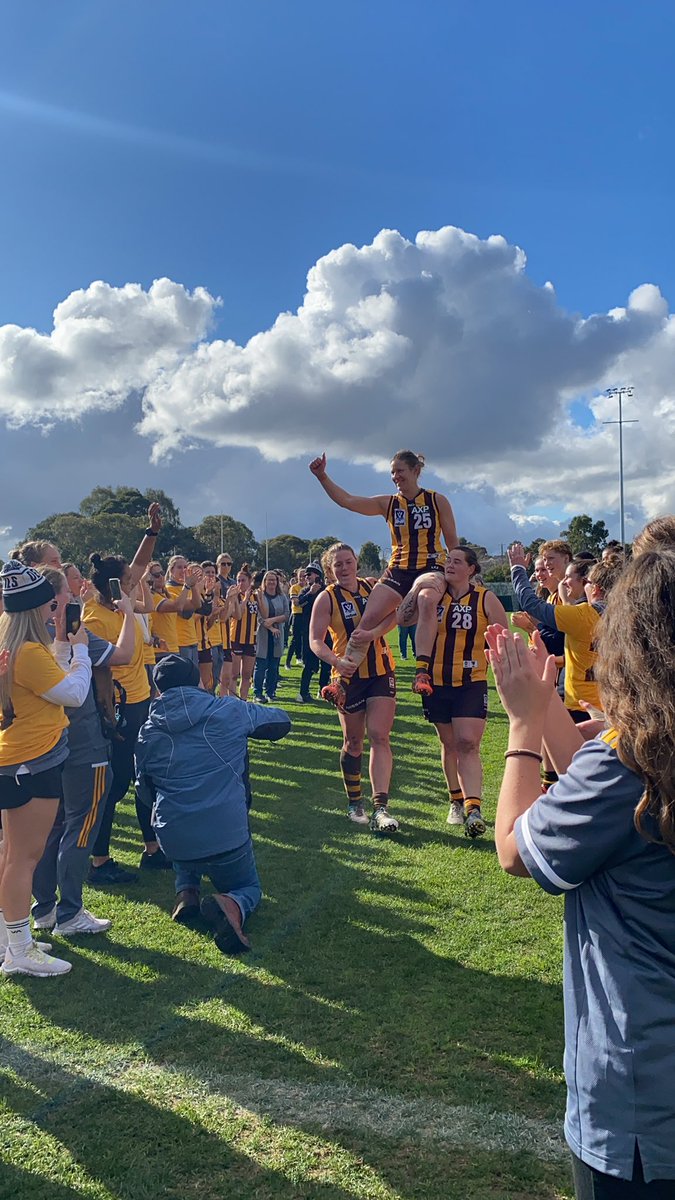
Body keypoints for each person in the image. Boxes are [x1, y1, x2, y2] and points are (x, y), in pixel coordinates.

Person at [486, 550, 675, 1195]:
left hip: (642, 1111)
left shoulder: (632, 762)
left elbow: (514, 848)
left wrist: (520, 726)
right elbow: (597, 799)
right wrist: (551, 715)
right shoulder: (636, 762)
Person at [135, 654, 291, 953]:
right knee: (249, 888)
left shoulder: (147, 732)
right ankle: (231, 904)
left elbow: (144, 792)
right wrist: (243, 713)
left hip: (175, 840)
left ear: (158, 690)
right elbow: (282, 720)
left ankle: (186, 890)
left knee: (181, 818)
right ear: (198, 680)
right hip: (226, 835)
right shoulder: (228, 710)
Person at [31, 568, 136, 936]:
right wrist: (130, 612)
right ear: (56, 600)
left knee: (52, 827)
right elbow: (123, 655)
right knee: (81, 825)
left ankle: (43, 907)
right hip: (82, 742)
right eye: (72, 583)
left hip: (47, 744)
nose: (80, 589)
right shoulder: (75, 632)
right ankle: (70, 912)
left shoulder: (21, 632)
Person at [0, 561, 91, 977]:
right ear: (37, 607)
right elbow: (72, 693)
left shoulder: (14, 645)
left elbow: (44, 684)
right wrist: (82, 651)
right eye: (49, 605)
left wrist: (62, 650)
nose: (55, 611)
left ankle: (11, 938)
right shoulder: (29, 652)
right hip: (32, 761)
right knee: (24, 858)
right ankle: (18, 949)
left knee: (11, 856)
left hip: (16, 759)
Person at [309, 450, 457, 704]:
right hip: (399, 568)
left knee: (426, 598)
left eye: (400, 471)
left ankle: (422, 671)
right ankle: (341, 683)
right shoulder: (388, 503)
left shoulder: (437, 501)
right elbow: (347, 500)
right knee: (366, 620)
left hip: (431, 565)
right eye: (392, 472)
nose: (395, 477)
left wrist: (459, 577)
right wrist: (322, 476)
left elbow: (453, 543)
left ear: (415, 471)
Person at [82, 504, 168, 882]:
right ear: (113, 586)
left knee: (145, 776)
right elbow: (122, 655)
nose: (136, 581)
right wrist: (129, 614)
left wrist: (151, 532)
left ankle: (152, 849)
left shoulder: (120, 606)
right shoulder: (94, 618)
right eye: (129, 581)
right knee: (114, 784)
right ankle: (98, 860)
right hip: (114, 712)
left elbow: (137, 562)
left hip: (139, 702)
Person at [309, 543, 399, 833]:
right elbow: (315, 640)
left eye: (348, 562)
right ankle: (354, 801)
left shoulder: (374, 588)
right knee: (354, 741)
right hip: (347, 677)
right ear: (330, 570)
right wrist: (335, 660)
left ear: (356, 562)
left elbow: (394, 615)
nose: (345, 568)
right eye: (338, 564)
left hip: (381, 671)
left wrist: (374, 633)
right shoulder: (326, 598)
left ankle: (381, 807)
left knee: (380, 736)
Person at [420, 548, 508, 837]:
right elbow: (406, 619)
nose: (450, 565)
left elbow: (501, 637)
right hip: (436, 679)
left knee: (468, 742)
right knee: (449, 744)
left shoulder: (485, 598)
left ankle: (474, 809)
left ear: (472, 569)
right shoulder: (435, 596)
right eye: (448, 561)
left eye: (458, 561)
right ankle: (455, 800)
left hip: (472, 680)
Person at [508, 544, 620, 725]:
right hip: (612, 701)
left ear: (596, 588)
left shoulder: (584, 616)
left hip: (581, 705)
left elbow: (530, 603)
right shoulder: (624, 614)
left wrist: (517, 569)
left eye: (587, 582)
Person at [295, 563, 331, 702]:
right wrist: (310, 592)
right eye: (305, 574)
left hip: (326, 632)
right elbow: (298, 604)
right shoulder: (304, 591)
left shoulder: (326, 590)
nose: (306, 577)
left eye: (309, 574)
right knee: (310, 664)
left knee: (327, 664)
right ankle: (303, 693)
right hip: (309, 633)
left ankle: (324, 690)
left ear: (317, 575)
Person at [254, 571, 290, 702]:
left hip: (277, 636)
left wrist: (273, 620)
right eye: (269, 580)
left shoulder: (282, 597)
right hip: (263, 634)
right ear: (264, 582)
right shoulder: (260, 596)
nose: (271, 583)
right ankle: (258, 693)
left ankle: (271, 691)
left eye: (273, 580)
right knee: (261, 665)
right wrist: (269, 626)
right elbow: (258, 617)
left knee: (274, 666)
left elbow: (287, 614)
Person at [164, 556, 203, 667]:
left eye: (185, 567)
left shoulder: (186, 588)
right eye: (179, 567)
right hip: (180, 641)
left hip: (192, 639)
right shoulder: (169, 589)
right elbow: (185, 613)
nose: (183, 570)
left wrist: (193, 585)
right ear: (172, 570)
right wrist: (187, 586)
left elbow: (198, 605)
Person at [230, 565, 257, 700]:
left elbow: (264, 613)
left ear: (250, 581)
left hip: (251, 639)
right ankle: (232, 700)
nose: (240, 583)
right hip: (235, 638)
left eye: (243, 580)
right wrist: (245, 599)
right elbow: (238, 615)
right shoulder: (234, 596)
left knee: (246, 674)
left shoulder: (256, 596)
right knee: (234, 674)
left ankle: (243, 700)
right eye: (238, 580)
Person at [285, 569, 307, 668]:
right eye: (300, 576)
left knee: (306, 639)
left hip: (306, 615)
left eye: (304, 576)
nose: (302, 578)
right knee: (295, 639)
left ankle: (303, 659)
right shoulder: (294, 587)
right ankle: (288, 661)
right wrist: (307, 599)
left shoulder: (308, 588)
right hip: (297, 615)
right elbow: (296, 602)